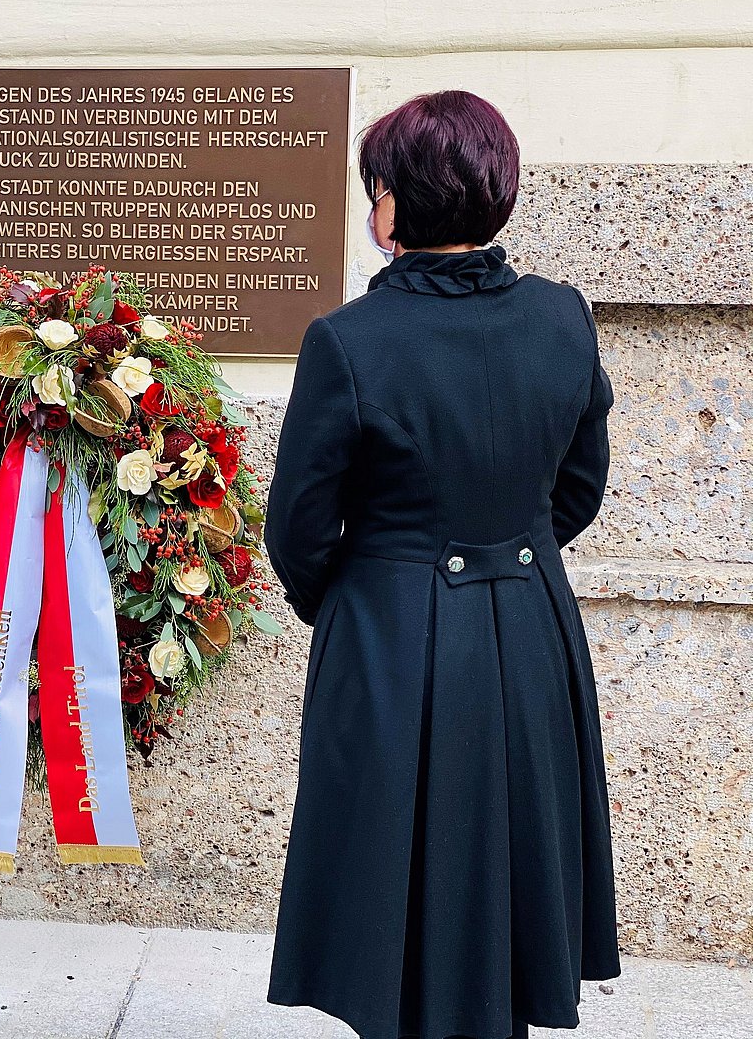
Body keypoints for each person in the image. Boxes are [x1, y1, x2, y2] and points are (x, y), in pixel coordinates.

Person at [264, 90, 620, 1039]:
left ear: (393, 200)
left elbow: (298, 528)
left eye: (372, 187)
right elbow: (579, 489)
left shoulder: (347, 340)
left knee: (396, 875)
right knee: (509, 863)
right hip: (534, 628)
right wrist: (513, 562)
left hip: (392, 639)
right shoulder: (563, 317)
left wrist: (362, 594)